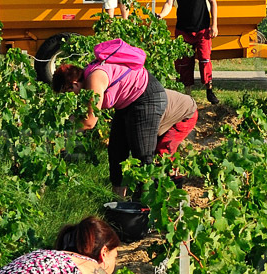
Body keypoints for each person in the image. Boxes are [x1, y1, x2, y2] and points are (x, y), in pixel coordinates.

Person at [51, 39, 196, 199]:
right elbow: (78, 116)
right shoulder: (84, 82)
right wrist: (57, 127)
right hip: (127, 103)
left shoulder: (94, 79)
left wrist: (61, 134)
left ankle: (146, 206)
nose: (70, 98)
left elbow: (90, 121)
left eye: (67, 93)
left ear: (73, 84)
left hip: (146, 96)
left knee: (142, 154)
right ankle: (118, 200)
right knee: (116, 151)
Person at [159, 0, 219, 105]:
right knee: (184, 63)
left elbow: (213, 2)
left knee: (205, 59)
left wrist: (214, 25)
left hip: (202, 29)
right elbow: (169, 3)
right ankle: (187, 96)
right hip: (183, 30)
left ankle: (209, 90)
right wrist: (161, 14)